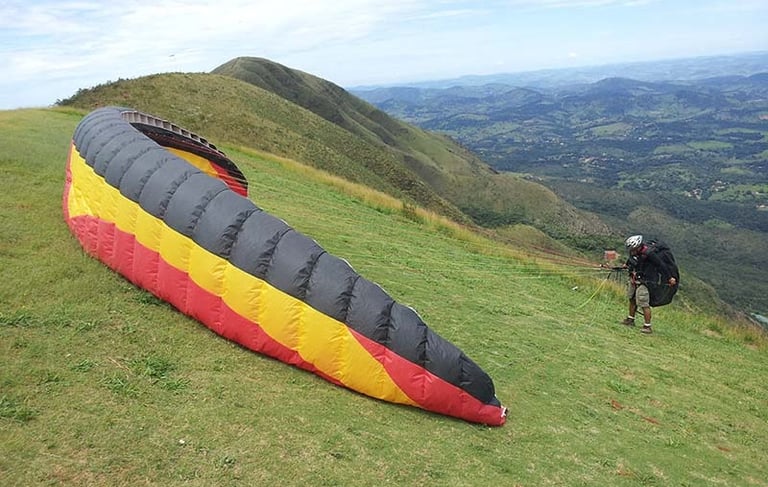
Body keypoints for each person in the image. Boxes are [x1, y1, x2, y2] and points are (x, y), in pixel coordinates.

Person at [620, 235, 678, 334]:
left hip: (646, 281)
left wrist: (669, 277)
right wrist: (627, 265)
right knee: (632, 298)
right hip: (635, 278)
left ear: (638, 247)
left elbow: (661, 265)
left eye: (633, 249)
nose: (631, 251)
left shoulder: (649, 254)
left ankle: (647, 326)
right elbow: (632, 259)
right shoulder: (634, 252)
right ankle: (630, 319)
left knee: (643, 302)